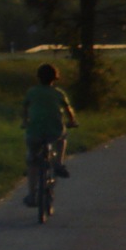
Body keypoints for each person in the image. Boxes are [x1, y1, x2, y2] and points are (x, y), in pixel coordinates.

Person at [21, 63, 78, 207]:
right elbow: (68, 110)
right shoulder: (58, 93)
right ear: (55, 78)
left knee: (32, 161)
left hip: (35, 131)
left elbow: (25, 108)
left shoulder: (31, 92)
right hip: (54, 130)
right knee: (62, 137)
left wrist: (25, 122)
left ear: (38, 77)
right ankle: (58, 162)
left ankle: (32, 195)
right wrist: (72, 121)